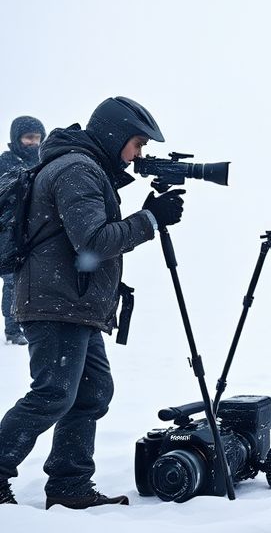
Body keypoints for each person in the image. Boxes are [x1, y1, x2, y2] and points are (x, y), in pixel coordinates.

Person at [0, 97, 184, 509]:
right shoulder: (77, 170)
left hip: (75, 304)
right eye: (136, 144)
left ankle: (69, 486)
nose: (139, 155)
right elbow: (94, 240)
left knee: (91, 393)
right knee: (53, 394)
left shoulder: (83, 166)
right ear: (115, 134)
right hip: (57, 303)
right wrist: (149, 219)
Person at [0, 115, 46, 345]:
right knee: (11, 281)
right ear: (17, 138)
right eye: (29, 137)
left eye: (38, 137)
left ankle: (27, 325)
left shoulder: (41, 161)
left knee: (28, 281)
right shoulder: (5, 162)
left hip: (32, 232)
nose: (34, 142)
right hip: (6, 234)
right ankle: (13, 330)